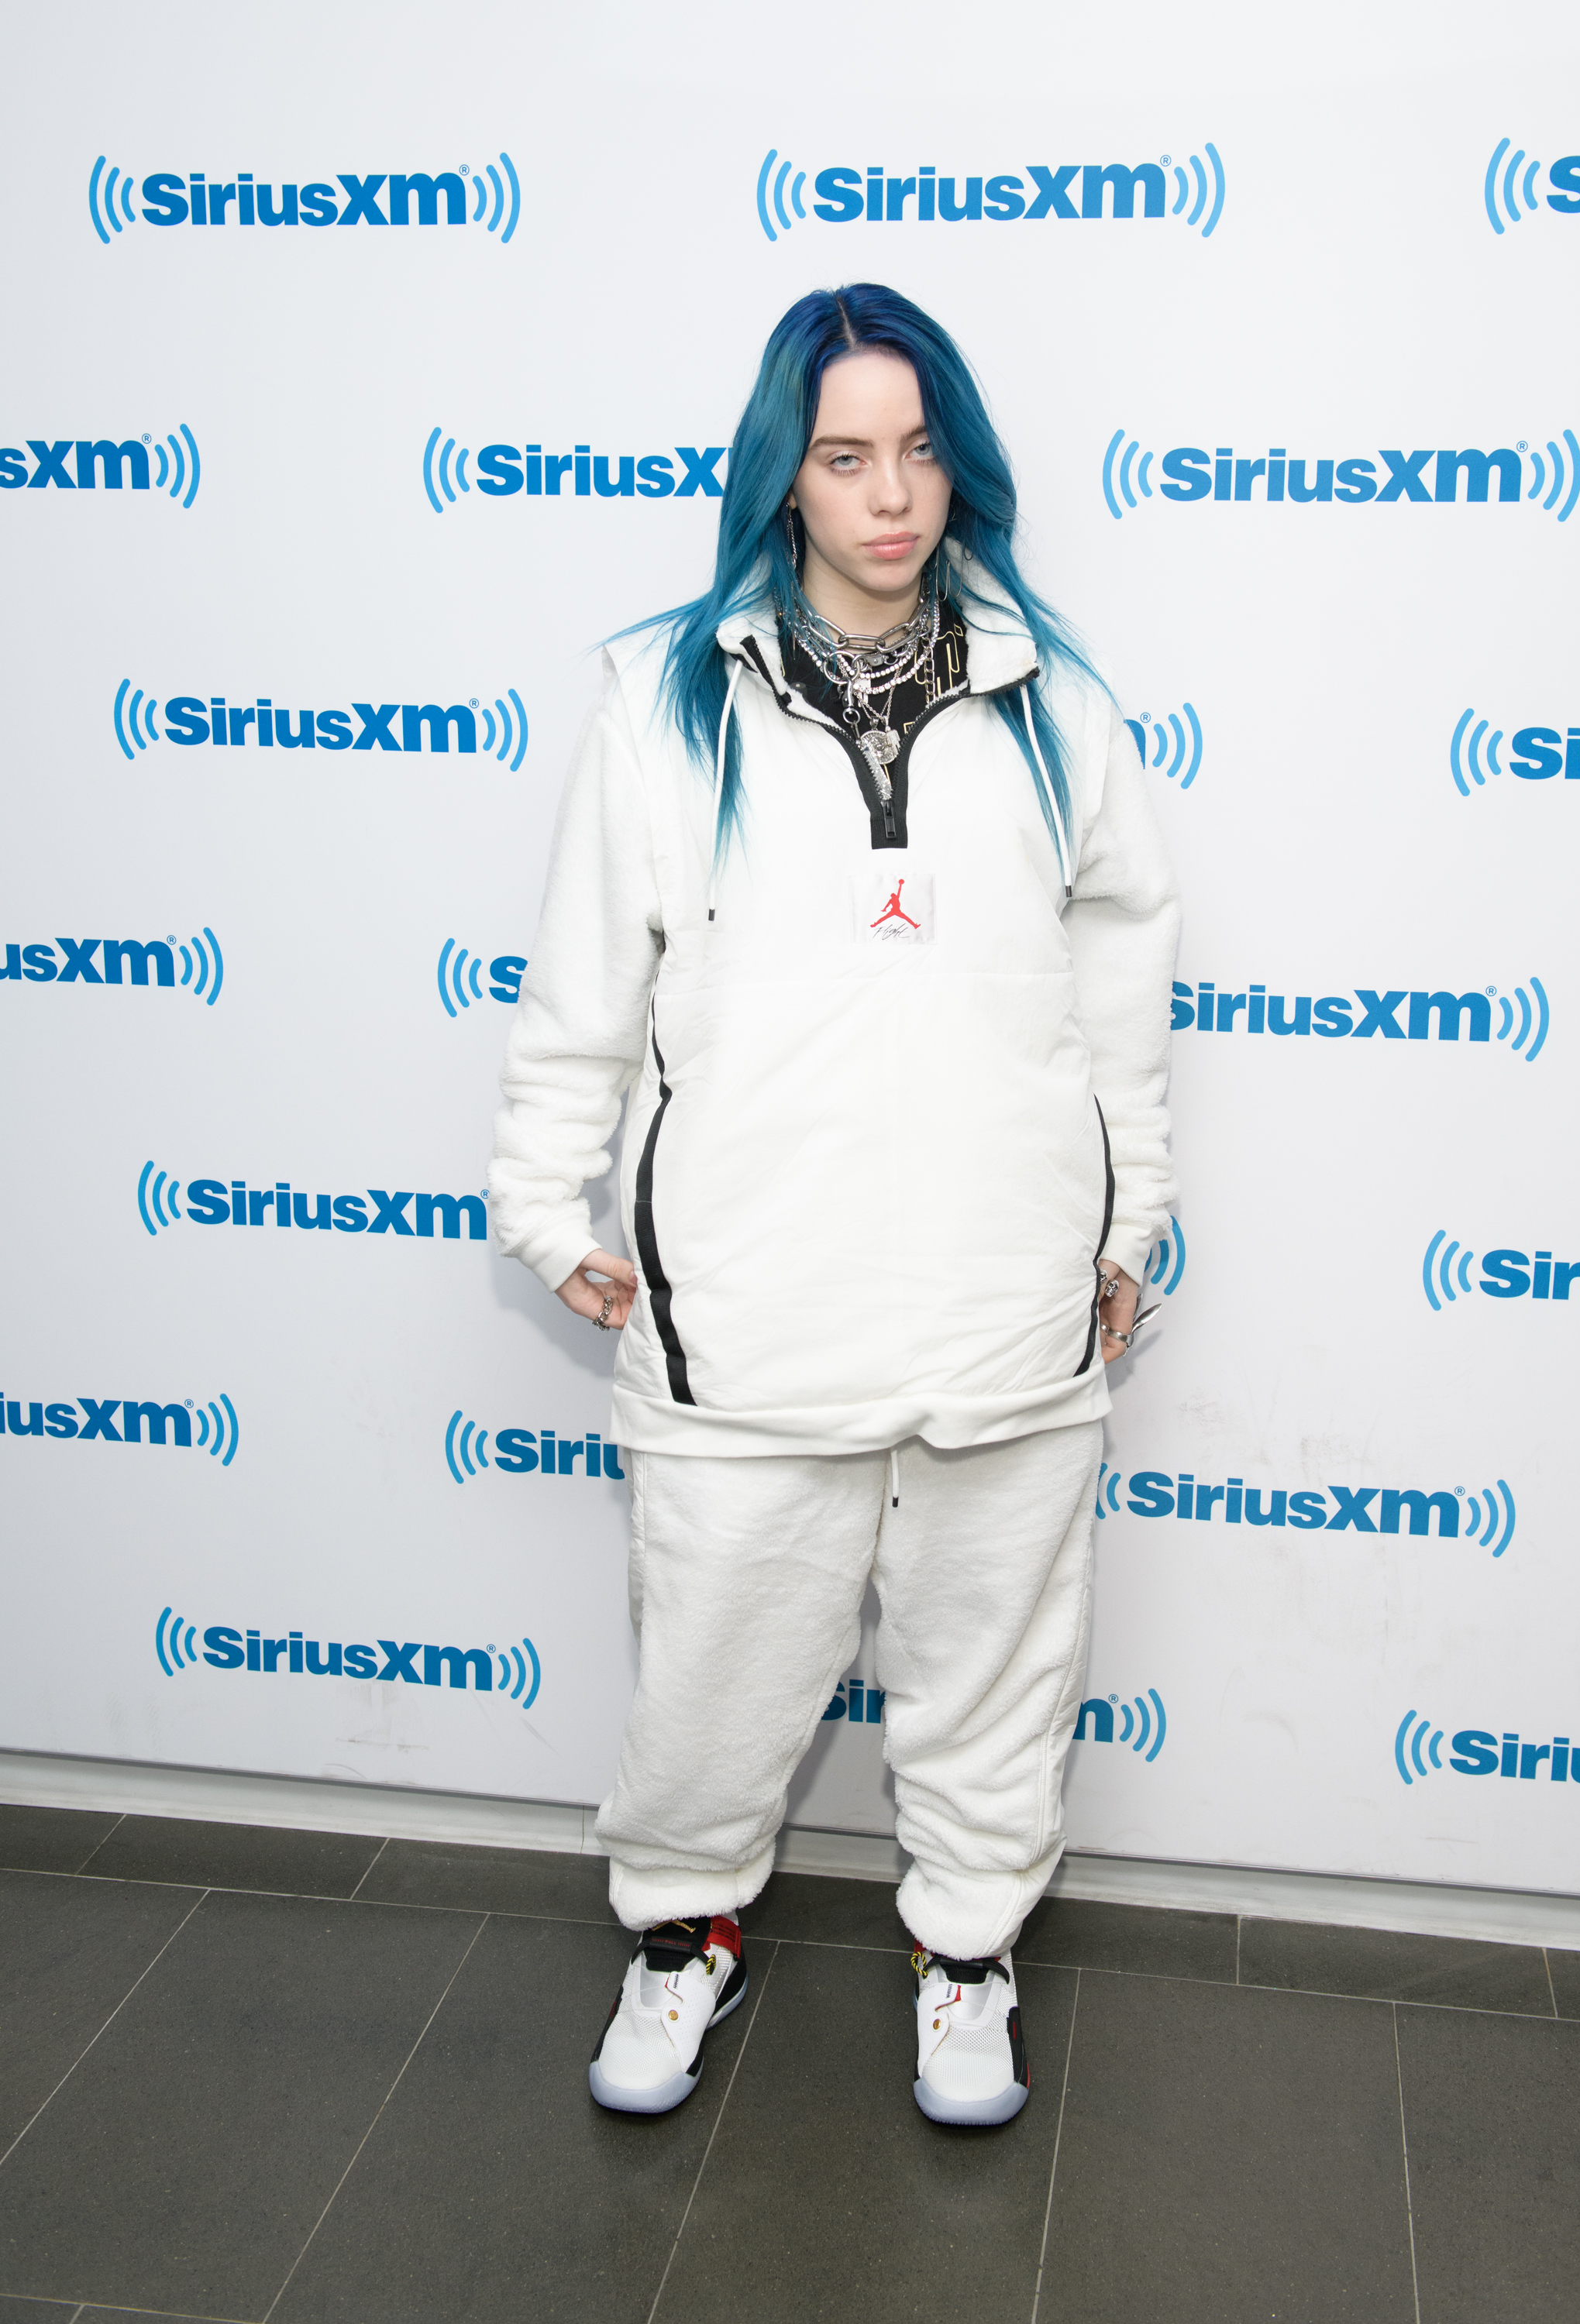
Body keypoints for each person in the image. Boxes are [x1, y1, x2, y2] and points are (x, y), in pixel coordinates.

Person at [490, 284, 1179, 2127]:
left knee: (991, 1665)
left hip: (1001, 1294)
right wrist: (545, 1213)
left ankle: (967, 1956)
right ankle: (683, 1936)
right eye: (846, 454)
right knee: (718, 1667)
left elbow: (1120, 988)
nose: (892, 495)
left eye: (922, 448)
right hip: (750, 1299)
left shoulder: (1059, 706)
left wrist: (1126, 1233)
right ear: (783, 477)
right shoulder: (659, 699)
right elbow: (584, 985)